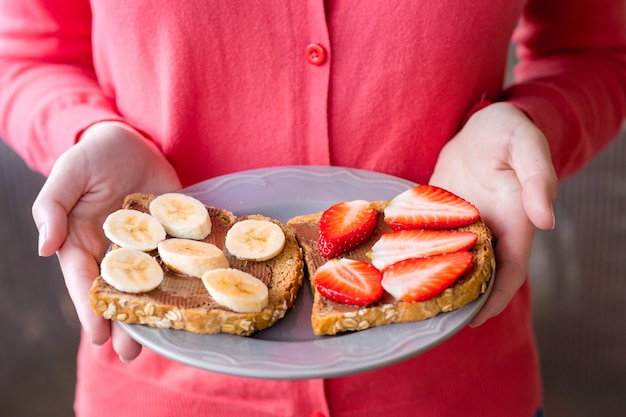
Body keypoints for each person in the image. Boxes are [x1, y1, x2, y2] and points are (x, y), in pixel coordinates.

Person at [1, 1, 624, 416]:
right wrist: (83, 131)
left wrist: (531, 125)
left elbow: (597, 49)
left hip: (460, 388)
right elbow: (25, 53)